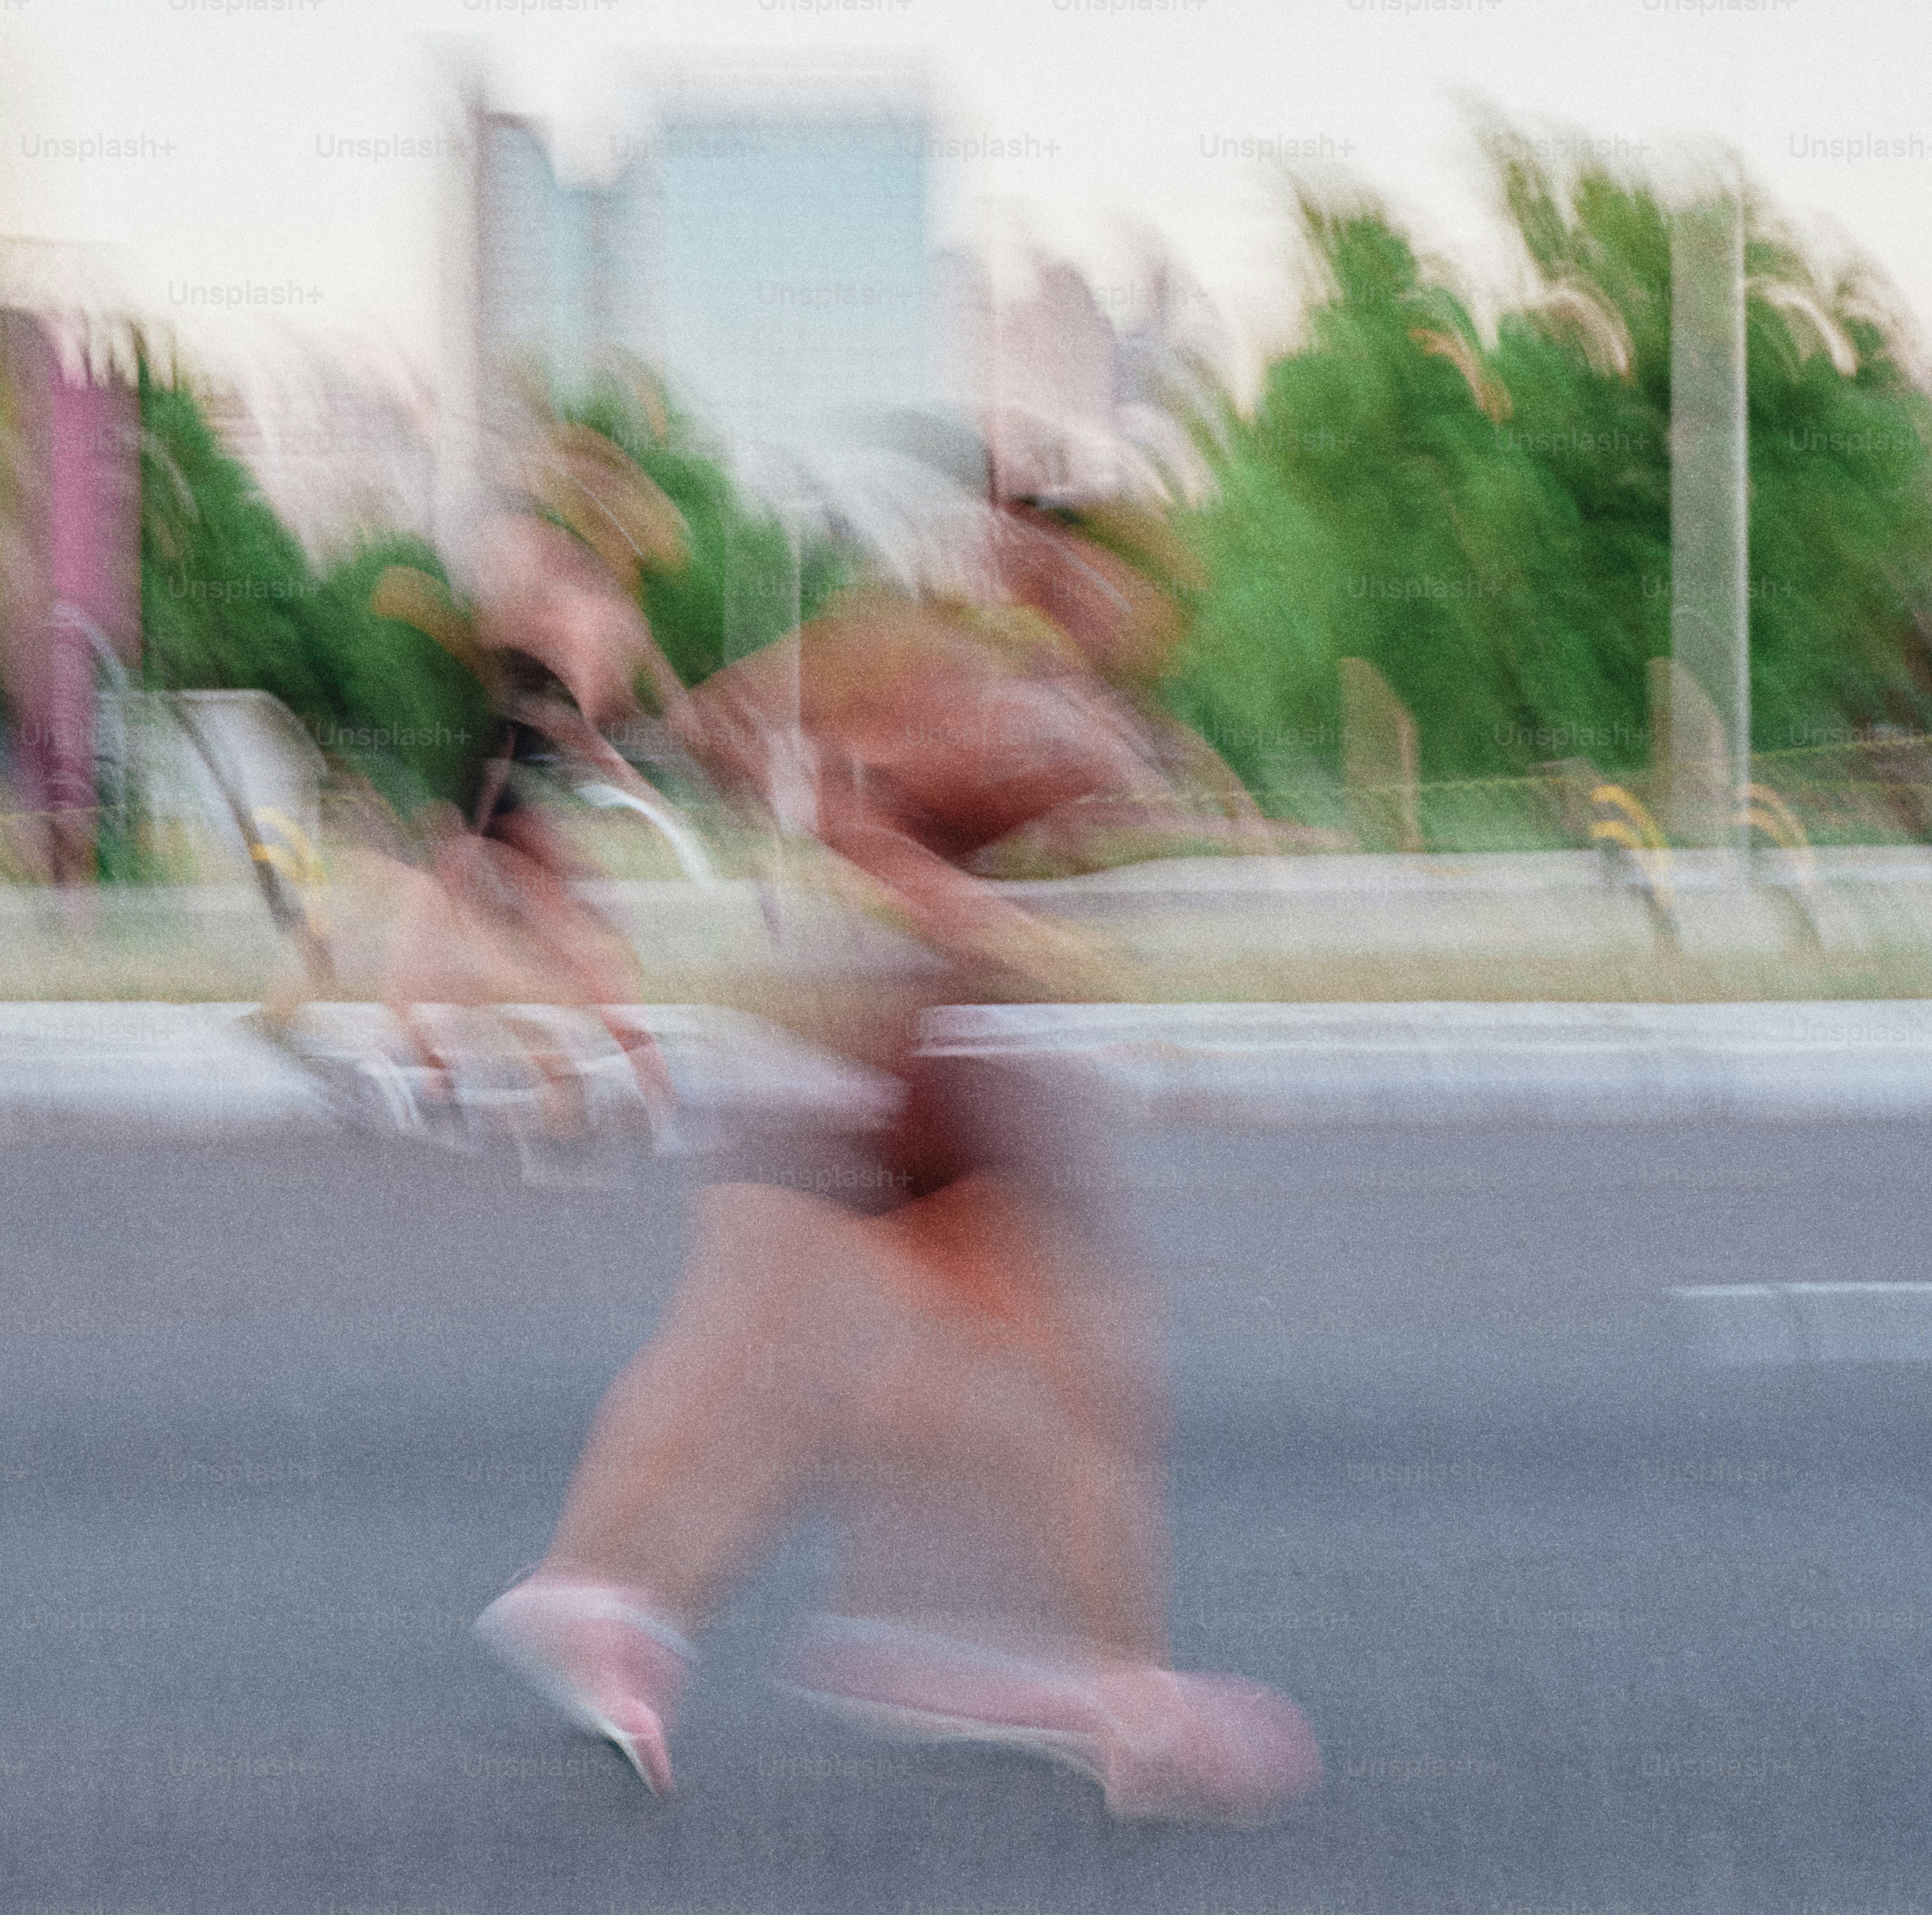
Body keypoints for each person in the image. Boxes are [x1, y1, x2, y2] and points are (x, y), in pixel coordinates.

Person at [473, 496, 1323, 1824]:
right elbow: (777, 768)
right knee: (904, 1366)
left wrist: (1163, 836)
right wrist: (924, 874)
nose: (1125, 608)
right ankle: (1079, 1693)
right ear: (1035, 569)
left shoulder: (1063, 708)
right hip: (863, 1066)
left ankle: (625, 1605)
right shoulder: (929, 665)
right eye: (1099, 575)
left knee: (903, 1374)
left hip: (922, 1073)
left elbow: (1067, 835)